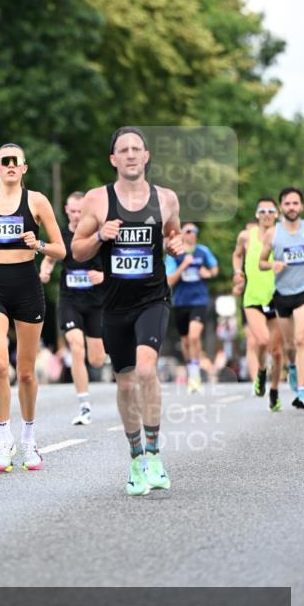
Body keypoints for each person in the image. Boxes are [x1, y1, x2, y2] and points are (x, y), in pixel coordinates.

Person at [71, 126, 184, 496]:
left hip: (153, 299)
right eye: (124, 149)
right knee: (125, 380)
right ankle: (136, 457)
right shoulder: (97, 200)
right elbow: (77, 250)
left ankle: (154, 454)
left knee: (147, 370)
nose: (131, 154)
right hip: (114, 305)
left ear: (146, 156)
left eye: (137, 148)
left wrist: (176, 242)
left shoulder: (166, 198)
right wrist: (100, 235)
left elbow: (173, 233)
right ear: (113, 159)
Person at [0, 142, 65, 473]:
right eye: (3, 162)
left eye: (15, 162)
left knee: (25, 371)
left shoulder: (36, 201)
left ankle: (29, 438)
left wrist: (41, 245)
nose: (9, 166)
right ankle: (4, 439)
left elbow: (61, 248)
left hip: (26, 286)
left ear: (23, 168)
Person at [40, 190, 105, 425]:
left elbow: (114, 263)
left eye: (81, 211)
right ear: (67, 210)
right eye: (73, 211)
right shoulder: (62, 234)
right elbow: (51, 254)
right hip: (70, 302)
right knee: (76, 347)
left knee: (97, 359)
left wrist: (103, 275)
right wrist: (45, 269)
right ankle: (84, 406)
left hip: (96, 303)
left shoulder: (98, 234)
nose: (77, 215)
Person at [259, 187, 304, 409]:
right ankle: (292, 366)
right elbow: (261, 263)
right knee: (289, 344)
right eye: (287, 204)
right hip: (282, 295)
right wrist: (273, 264)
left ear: (301, 206)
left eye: (295, 203)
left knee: (301, 340)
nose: (291, 207)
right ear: (282, 208)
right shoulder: (273, 233)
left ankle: (301, 390)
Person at [232, 198, 284, 410]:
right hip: (252, 298)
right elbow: (236, 255)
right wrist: (238, 271)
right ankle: (261, 371)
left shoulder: (283, 235)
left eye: (271, 210)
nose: (266, 214)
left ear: (277, 214)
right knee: (261, 341)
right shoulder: (246, 236)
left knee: (277, 351)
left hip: (278, 297)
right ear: (256, 214)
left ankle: (273, 392)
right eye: (262, 210)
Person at [165, 222, 219, 393]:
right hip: (181, 302)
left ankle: (195, 377)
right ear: (182, 234)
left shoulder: (203, 251)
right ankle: (192, 371)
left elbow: (215, 269)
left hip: (199, 301)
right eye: (188, 231)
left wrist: (209, 273)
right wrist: (183, 266)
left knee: (194, 337)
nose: (191, 234)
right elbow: (169, 281)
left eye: (194, 231)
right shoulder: (174, 254)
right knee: (186, 341)